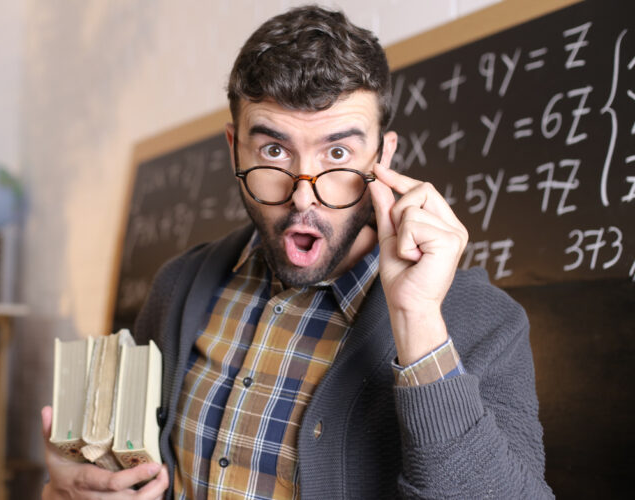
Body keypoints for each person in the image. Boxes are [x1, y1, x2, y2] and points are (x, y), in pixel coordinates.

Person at [42, 6, 553, 499]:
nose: (303, 195)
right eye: (273, 151)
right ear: (233, 147)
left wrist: (417, 321)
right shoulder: (178, 286)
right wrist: (70, 485)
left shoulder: (485, 324)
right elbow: (113, 463)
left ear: (384, 156)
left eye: (337, 153)